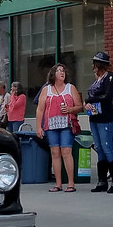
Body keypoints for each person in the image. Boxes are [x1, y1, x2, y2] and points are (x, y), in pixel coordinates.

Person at [35, 63, 83, 193]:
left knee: (66, 153)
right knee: (55, 153)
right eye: (59, 71)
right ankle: (58, 184)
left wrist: (70, 109)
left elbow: (79, 106)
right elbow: (40, 109)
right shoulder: (46, 90)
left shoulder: (70, 88)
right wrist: (38, 127)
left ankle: (71, 183)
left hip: (66, 124)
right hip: (51, 125)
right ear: (53, 74)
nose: (62, 73)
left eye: (64, 71)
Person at [85, 51, 113, 194]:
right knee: (99, 148)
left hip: (106, 118)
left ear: (99, 65)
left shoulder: (110, 77)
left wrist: (89, 101)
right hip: (94, 116)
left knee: (107, 148)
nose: (93, 66)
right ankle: (102, 181)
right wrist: (88, 105)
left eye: (95, 63)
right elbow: (93, 96)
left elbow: (106, 96)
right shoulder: (97, 80)